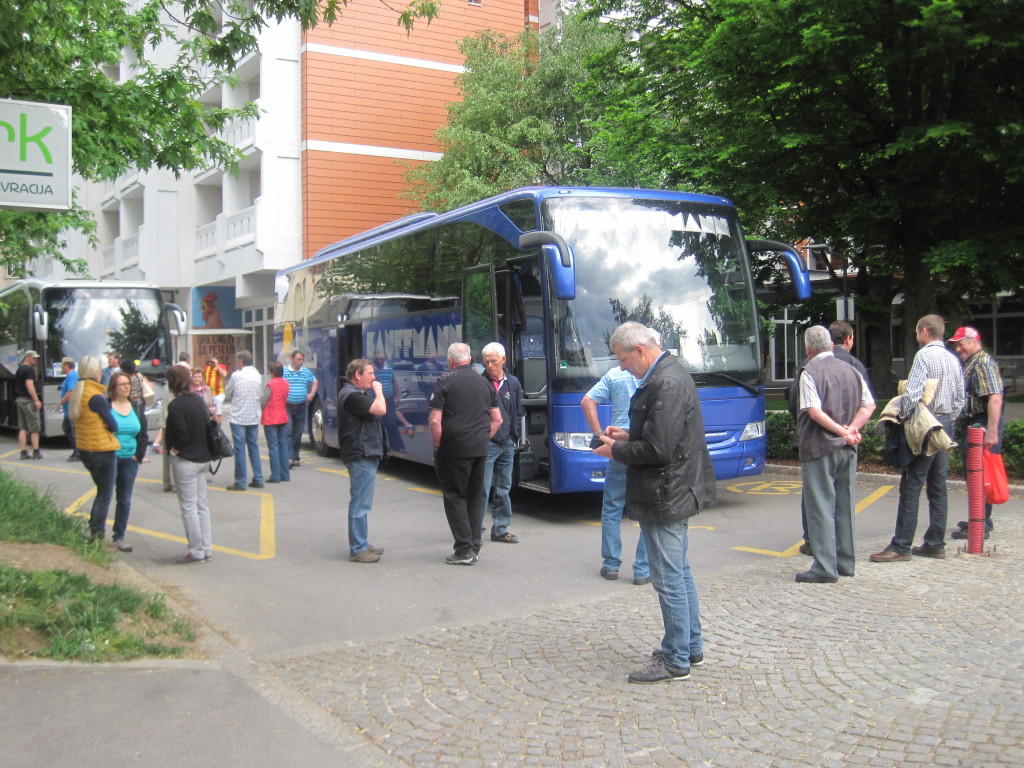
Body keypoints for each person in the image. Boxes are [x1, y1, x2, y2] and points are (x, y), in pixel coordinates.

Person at [592, 322, 716, 684]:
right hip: (674, 489)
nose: (622, 367)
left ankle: (677, 659)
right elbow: (666, 436)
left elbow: (659, 450)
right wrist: (629, 435)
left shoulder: (664, 381)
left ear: (640, 350)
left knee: (668, 577)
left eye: (623, 359)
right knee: (679, 571)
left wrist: (616, 449)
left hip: (666, 492)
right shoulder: (670, 374)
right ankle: (689, 647)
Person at [870, 314, 964, 563]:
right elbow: (960, 399)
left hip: (925, 423)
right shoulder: (953, 359)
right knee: (938, 487)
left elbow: (913, 393)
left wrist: (903, 416)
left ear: (923, 331)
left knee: (911, 485)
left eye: (915, 331)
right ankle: (935, 543)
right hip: (945, 424)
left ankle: (901, 546)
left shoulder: (924, 356)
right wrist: (947, 418)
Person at [795, 326, 876, 583]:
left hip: (819, 447)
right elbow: (869, 405)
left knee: (820, 506)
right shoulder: (852, 370)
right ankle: (845, 561)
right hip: (848, 448)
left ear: (808, 349)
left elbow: (813, 411)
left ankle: (824, 568)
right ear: (831, 345)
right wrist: (852, 429)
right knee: (845, 504)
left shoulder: (809, 372)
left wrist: (842, 431)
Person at [429, 343, 501, 565]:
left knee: (454, 496)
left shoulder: (445, 382)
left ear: (451, 361)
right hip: (480, 448)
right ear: (470, 359)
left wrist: (439, 445)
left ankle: (463, 550)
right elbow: (497, 419)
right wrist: (483, 438)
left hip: (454, 448)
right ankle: (474, 545)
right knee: (474, 495)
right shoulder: (485, 384)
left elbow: (434, 420)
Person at [582, 365, 650, 585]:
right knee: (648, 509)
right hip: (645, 446)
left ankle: (611, 565)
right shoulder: (654, 375)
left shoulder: (614, 374)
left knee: (612, 507)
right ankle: (642, 569)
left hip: (618, 448)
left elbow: (587, 401)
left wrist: (599, 434)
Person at [949, 326, 1004, 540]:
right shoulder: (974, 361)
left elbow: (994, 397)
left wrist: (991, 431)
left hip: (981, 424)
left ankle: (981, 525)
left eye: (960, 343)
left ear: (974, 341)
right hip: (976, 423)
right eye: (955, 344)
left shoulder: (981, 362)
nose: (958, 348)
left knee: (979, 473)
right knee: (976, 473)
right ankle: (979, 519)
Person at [338, 358, 388, 563]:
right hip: (360, 454)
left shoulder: (354, 393)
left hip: (364, 452)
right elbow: (380, 409)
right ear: (357, 375)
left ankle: (362, 543)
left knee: (363, 502)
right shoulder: (352, 396)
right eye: (370, 374)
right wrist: (379, 391)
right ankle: (358, 548)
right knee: (360, 503)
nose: (374, 378)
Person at [164, 364, 213, 563]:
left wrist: (173, 450)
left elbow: (181, 435)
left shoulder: (175, 405)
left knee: (188, 507)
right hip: (203, 458)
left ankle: (196, 550)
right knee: (202, 505)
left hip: (186, 460)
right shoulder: (199, 401)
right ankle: (206, 548)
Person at [71, 356, 121, 541]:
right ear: (94, 372)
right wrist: (107, 425)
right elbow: (113, 425)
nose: (101, 373)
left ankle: (94, 527)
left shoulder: (79, 391)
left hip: (85, 449)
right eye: (99, 370)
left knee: (101, 490)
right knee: (105, 494)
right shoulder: (96, 397)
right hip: (102, 449)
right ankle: (97, 532)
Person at [480, 342, 523, 544]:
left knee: (504, 487)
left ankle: (500, 529)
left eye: (493, 361)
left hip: (507, 442)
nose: (490, 365)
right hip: (488, 442)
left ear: (503, 360)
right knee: (482, 488)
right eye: (486, 361)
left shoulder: (513, 383)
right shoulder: (480, 383)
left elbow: (517, 410)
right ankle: (475, 530)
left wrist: (515, 436)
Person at [107, 372, 147, 552]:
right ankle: (96, 530)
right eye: (122, 384)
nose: (126, 387)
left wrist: (138, 455)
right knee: (105, 495)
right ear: (113, 389)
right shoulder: (107, 406)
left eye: (128, 384)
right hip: (110, 457)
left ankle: (119, 536)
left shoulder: (136, 407)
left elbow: (143, 434)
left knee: (124, 499)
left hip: (130, 458)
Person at [225, 349, 264, 490]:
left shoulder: (237, 376)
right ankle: (258, 478)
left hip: (238, 416)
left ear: (241, 362)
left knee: (240, 448)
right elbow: (259, 393)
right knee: (253, 446)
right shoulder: (257, 375)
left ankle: (240, 481)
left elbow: (227, 393)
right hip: (253, 415)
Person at [283, 349, 318, 468]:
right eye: (299, 359)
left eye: (302, 360)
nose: (301, 362)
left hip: (301, 405)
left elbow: (315, 381)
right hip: (287, 405)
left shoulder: (305, 372)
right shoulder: (284, 371)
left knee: (297, 434)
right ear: (292, 359)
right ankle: (288, 457)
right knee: (288, 431)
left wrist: (312, 393)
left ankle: (295, 456)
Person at [374, 350, 411, 452]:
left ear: (384, 359)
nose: (379, 360)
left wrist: (397, 395)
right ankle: (382, 448)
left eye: (381, 358)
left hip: (389, 399)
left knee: (391, 423)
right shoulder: (373, 370)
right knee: (378, 425)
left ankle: (398, 446)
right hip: (377, 399)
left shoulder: (389, 369)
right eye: (377, 358)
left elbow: (394, 382)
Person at [261, 360, 292, 484]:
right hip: (282, 416)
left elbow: (263, 401)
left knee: (273, 446)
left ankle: (275, 475)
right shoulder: (285, 383)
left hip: (270, 417)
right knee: (283, 445)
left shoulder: (270, 384)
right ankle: (285, 474)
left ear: (272, 373)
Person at [119, 359, 152, 462]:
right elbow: (150, 386)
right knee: (142, 429)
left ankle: (132, 451)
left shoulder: (124, 378)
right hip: (140, 404)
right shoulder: (139, 376)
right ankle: (142, 453)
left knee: (133, 428)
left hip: (130, 404)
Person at [14, 350, 44, 460]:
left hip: (19, 400)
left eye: (36, 358)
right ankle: (36, 452)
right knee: (35, 427)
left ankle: (23, 452)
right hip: (28, 401)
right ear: (27, 357)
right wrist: (36, 399)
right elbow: (29, 384)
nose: (35, 360)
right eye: (33, 358)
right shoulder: (29, 370)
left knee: (22, 427)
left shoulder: (19, 369)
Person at [59, 356, 80, 461]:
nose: (61, 367)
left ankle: (78, 452)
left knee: (73, 431)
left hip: (73, 408)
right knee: (67, 428)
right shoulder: (70, 376)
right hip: (68, 409)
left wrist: (61, 401)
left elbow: (71, 392)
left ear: (66, 365)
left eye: (62, 365)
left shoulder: (72, 375)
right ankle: (77, 450)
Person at [204, 357, 228, 423]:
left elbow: (224, 374)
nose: (210, 363)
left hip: (218, 394)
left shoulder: (220, 367)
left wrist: (216, 365)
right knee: (210, 412)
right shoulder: (206, 368)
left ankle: (218, 427)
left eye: (212, 362)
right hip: (209, 394)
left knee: (218, 413)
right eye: (209, 361)